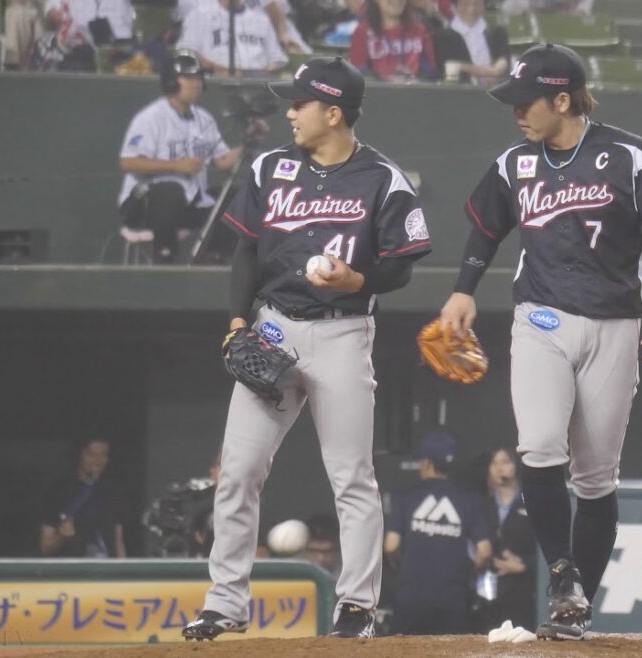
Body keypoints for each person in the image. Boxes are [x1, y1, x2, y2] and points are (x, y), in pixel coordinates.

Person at [438, 43, 642, 640]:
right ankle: (560, 572)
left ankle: (575, 609)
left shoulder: (628, 156)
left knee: (597, 478)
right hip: (541, 319)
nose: (516, 112)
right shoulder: (514, 164)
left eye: (526, 101)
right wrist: (463, 290)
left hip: (614, 324)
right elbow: (485, 229)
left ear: (562, 100)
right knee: (540, 445)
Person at [181, 56, 433, 641]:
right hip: (273, 327)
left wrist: (359, 279)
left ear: (334, 112)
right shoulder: (270, 167)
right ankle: (225, 603)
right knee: (238, 470)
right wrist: (237, 323)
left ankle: (357, 607)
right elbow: (246, 251)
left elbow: (401, 266)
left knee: (352, 476)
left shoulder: (382, 178)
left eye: (300, 103)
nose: (290, 113)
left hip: (343, 332)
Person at [118, 52, 246, 265]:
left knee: (235, 197)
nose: (197, 83)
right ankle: (164, 258)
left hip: (190, 202)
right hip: (143, 205)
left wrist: (247, 142)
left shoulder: (204, 118)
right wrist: (175, 166)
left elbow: (222, 161)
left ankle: (213, 258)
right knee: (171, 190)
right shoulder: (151, 117)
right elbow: (128, 162)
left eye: (199, 78)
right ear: (171, 81)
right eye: (189, 77)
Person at [384, 432, 492, 634]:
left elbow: (391, 546)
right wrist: (468, 574)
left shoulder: (405, 497)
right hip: (453, 595)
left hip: (411, 595)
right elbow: (485, 551)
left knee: (405, 647)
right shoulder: (470, 498)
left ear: (427, 463)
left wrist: (403, 570)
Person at [477, 447, 536, 631]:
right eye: (494, 463)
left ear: (516, 466)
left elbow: (545, 548)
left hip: (523, 592)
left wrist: (524, 565)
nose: (498, 468)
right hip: (488, 594)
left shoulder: (531, 502)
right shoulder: (482, 505)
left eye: (504, 462)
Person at [39, 438, 127, 558]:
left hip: (106, 566)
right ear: (79, 454)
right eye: (91, 455)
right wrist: (61, 537)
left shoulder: (114, 491)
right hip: (72, 566)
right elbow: (46, 548)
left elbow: (118, 541)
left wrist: (122, 567)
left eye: (103, 455)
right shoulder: (58, 490)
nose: (97, 461)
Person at [178, 0, 289, 76]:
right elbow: (188, 53)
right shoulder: (199, 15)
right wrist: (216, 69)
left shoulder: (261, 20)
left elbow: (277, 59)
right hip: (215, 81)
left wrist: (264, 72)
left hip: (256, 83)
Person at [349, 0, 439, 81]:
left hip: (416, 91)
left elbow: (430, 71)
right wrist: (386, 81)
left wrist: (415, 79)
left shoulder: (419, 31)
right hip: (378, 92)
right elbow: (359, 74)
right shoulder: (362, 33)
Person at [448, 0, 511, 85]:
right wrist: (477, 71)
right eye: (465, 4)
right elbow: (448, 70)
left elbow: (504, 56)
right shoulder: (444, 36)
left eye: (477, 4)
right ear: (456, 6)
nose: (471, 9)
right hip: (461, 88)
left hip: (495, 86)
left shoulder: (496, 30)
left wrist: (495, 71)